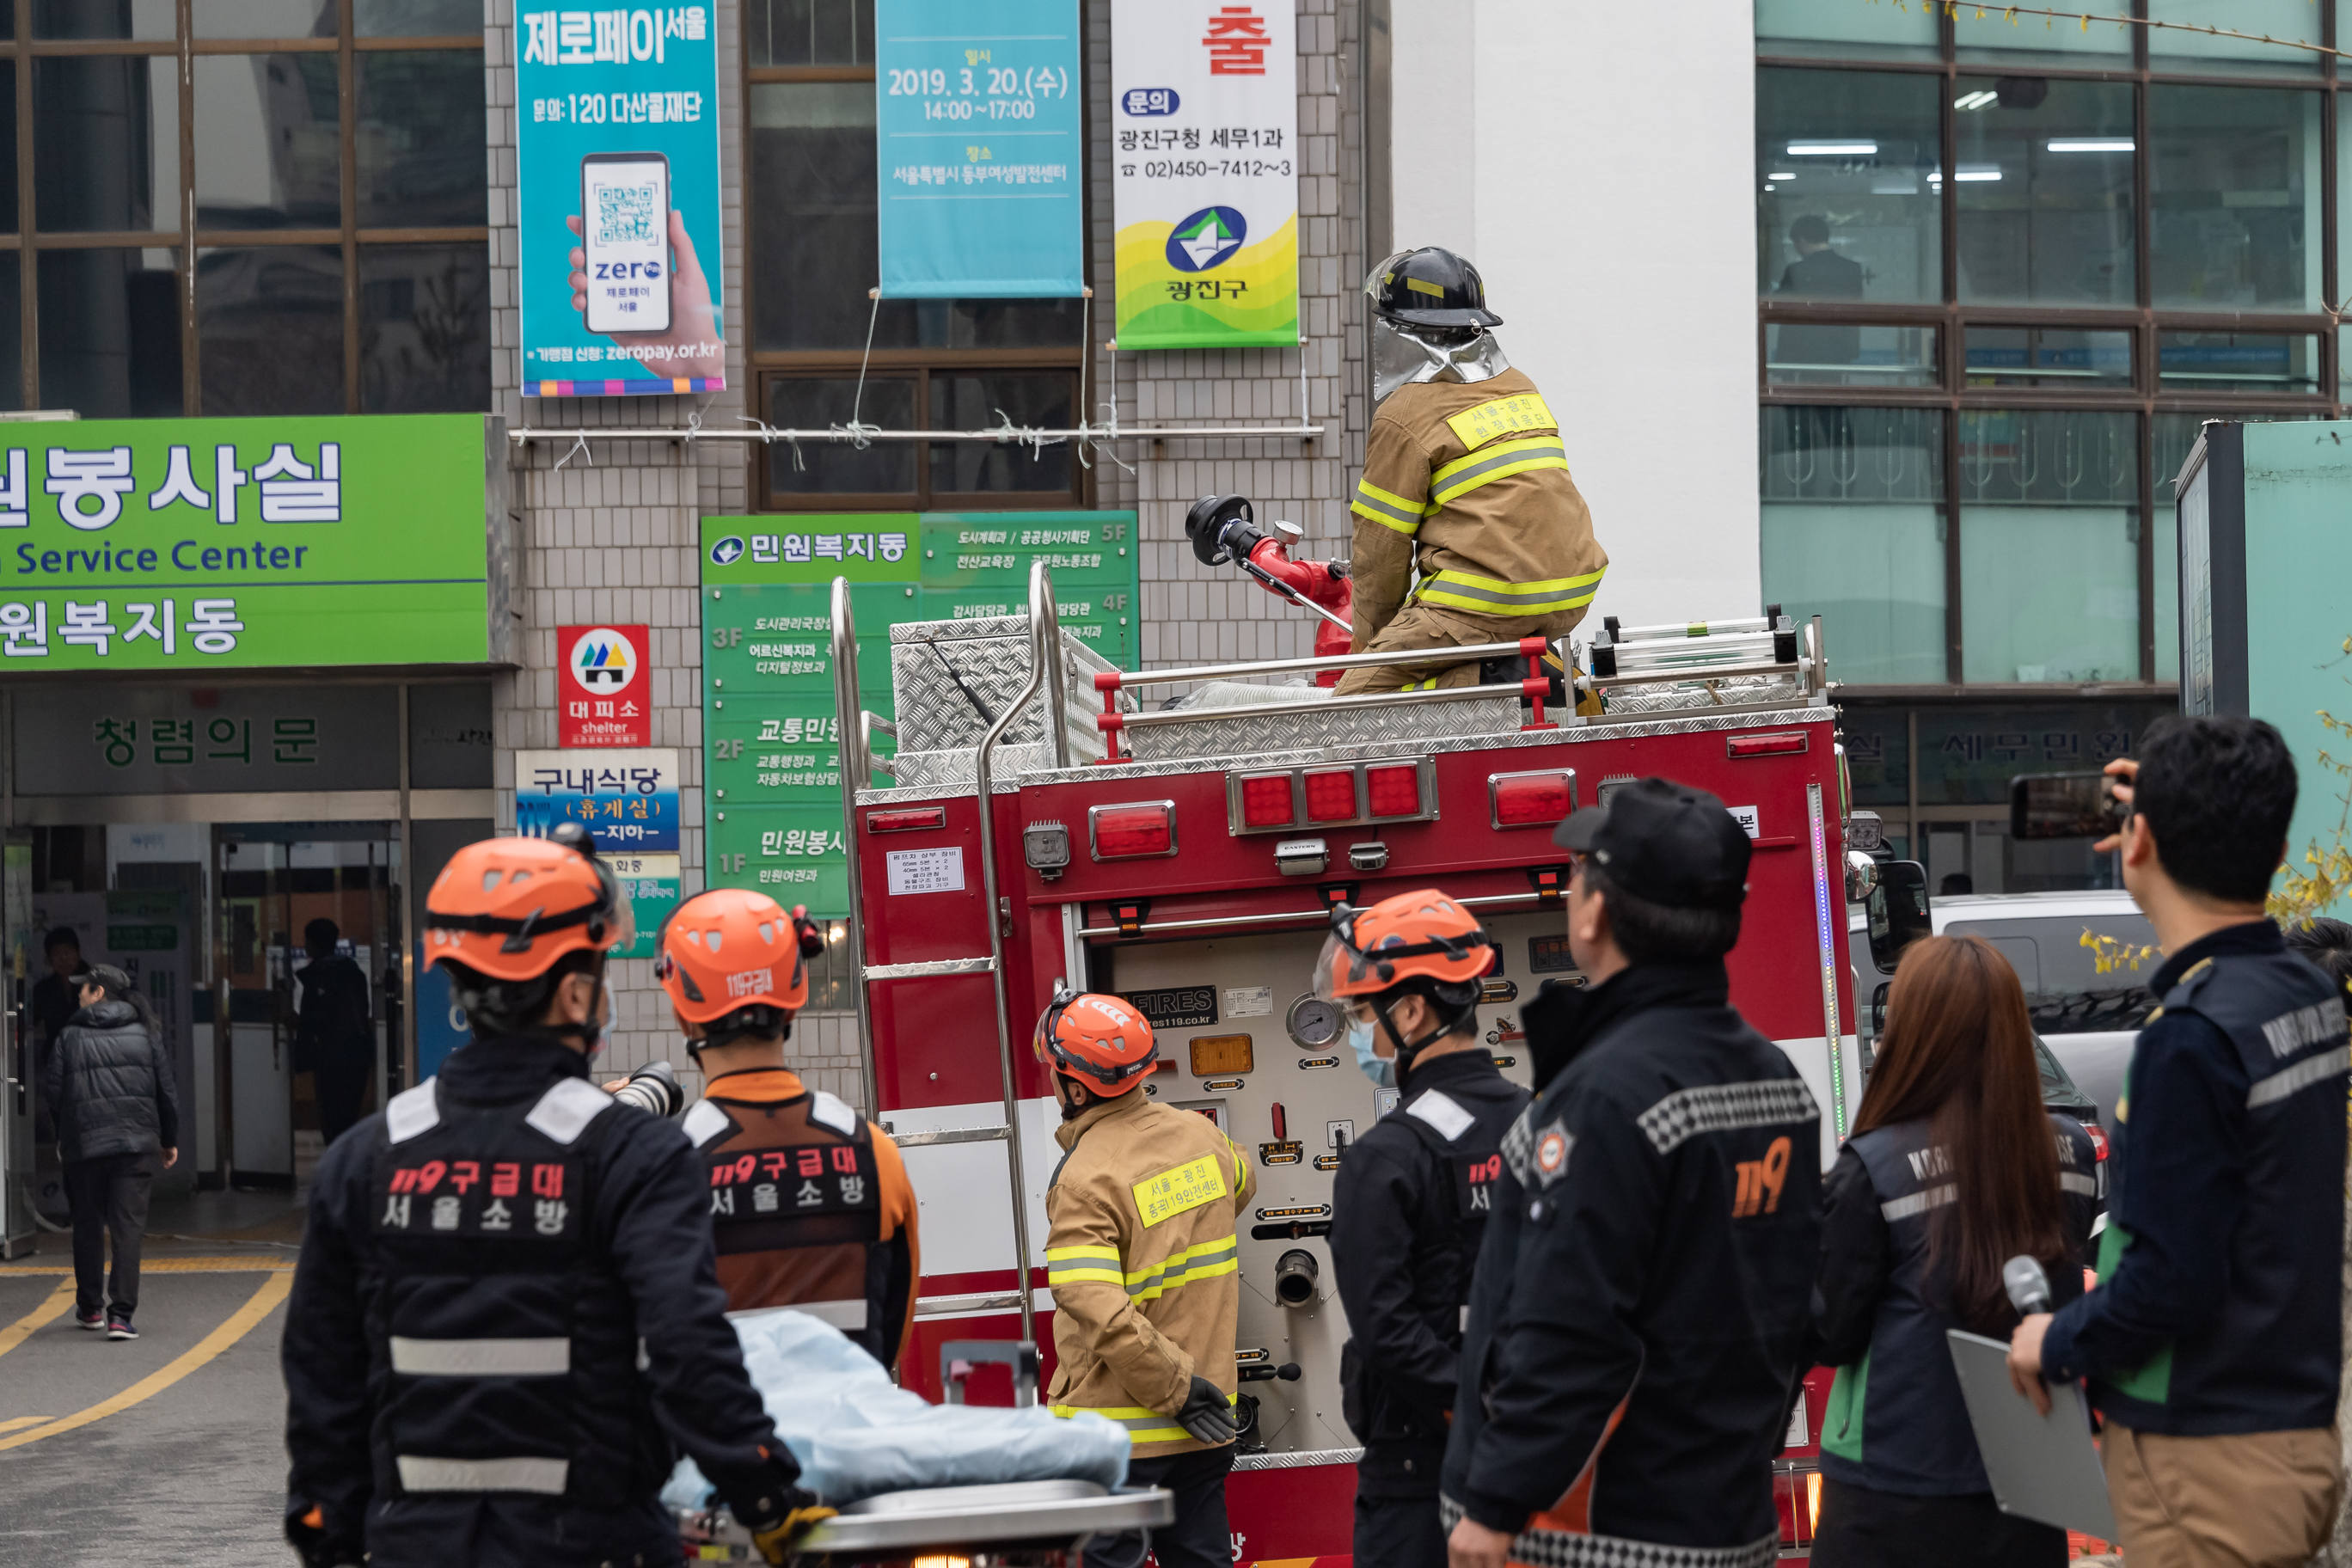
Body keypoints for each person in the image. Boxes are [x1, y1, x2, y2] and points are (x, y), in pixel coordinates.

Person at [280, 829, 828, 1568]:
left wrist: (329, 1533)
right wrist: (764, 1492)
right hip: (596, 1543)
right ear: (574, 992)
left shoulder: (363, 1159)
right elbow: (688, 1352)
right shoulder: (633, 1153)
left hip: (413, 1546)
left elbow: (323, 1377)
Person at [1442, 778, 1822, 1568]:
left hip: (1598, 1533)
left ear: (1596, 911)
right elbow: (1794, 1309)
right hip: (1728, 1513)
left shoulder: (1608, 1094)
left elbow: (1569, 1321)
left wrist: (1495, 1502)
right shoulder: (1775, 1078)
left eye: (1579, 872)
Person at [2008, 717, 2348, 1568]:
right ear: (2278, 856)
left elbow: (2169, 1281)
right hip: (2288, 1433)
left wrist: (2051, 1341)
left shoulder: (2190, 1037)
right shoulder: (2305, 994)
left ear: (2139, 842)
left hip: (2206, 1464)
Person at [1810, 934, 2099, 1568]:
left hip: (1893, 1483)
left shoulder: (1874, 1167)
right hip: (2032, 1478)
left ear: (1910, 1034)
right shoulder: (2071, 1152)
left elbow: (1829, 1332)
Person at [1324, 891, 1529, 1568]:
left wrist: (1475, 1402)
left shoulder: (1384, 1159)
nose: (1358, 1033)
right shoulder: (1551, 1122)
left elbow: (1387, 1333)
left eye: (1360, 1013)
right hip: (1553, 1459)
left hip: (1419, 1479)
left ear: (1411, 1011)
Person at [654, 887, 920, 1369]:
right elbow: (893, 1329)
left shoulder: (662, 1167)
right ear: (794, 1001)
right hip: (850, 1437)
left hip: (719, 1442)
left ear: (683, 1016)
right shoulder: (873, 1153)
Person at [1037, 988, 1254, 1568]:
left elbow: (1098, 1308)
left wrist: (1175, 1389)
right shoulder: (1203, 1138)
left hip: (1123, 1434)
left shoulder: (1085, 1180)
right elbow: (1242, 1182)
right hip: (1207, 1423)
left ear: (1077, 1087)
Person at [1340, 246, 1608, 696]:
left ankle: (1481, 684)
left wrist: (1373, 648)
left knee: (1354, 705)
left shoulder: (1404, 413)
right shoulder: (1520, 387)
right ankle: (1508, 683)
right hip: (1568, 598)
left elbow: (1380, 553)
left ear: (1400, 331)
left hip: (1484, 605)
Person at [44, 961, 176, 1341]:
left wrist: (65, 1134)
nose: (77, 993)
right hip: (134, 1148)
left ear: (98, 993)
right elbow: (165, 1092)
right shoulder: (146, 1032)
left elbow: (53, 1093)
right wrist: (169, 1140)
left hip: (84, 1147)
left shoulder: (70, 1035)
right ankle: (121, 1316)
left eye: (83, 988)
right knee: (127, 1229)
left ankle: (90, 1309)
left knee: (87, 1225)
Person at [294, 917, 376, 1146]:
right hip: (357, 1057)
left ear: (311, 944)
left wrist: (302, 1054)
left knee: (332, 1123)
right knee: (348, 1121)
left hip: (331, 1059)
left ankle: (338, 1171)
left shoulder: (320, 976)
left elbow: (316, 1021)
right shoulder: (353, 973)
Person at [1772, 215, 1865, 373]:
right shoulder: (1852, 269)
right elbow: (1856, 308)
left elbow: (1777, 304)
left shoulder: (1797, 270)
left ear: (1801, 240)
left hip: (1799, 352)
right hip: (1838, 349)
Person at [31, 925, 84, 1052]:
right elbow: (28, 1021)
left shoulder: (95, 984)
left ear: (77, 954)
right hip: (56, 1056)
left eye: (68, 951)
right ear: (49, 959)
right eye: (56, 953)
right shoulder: (43, 990)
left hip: (90, 1055)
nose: (63, 958)